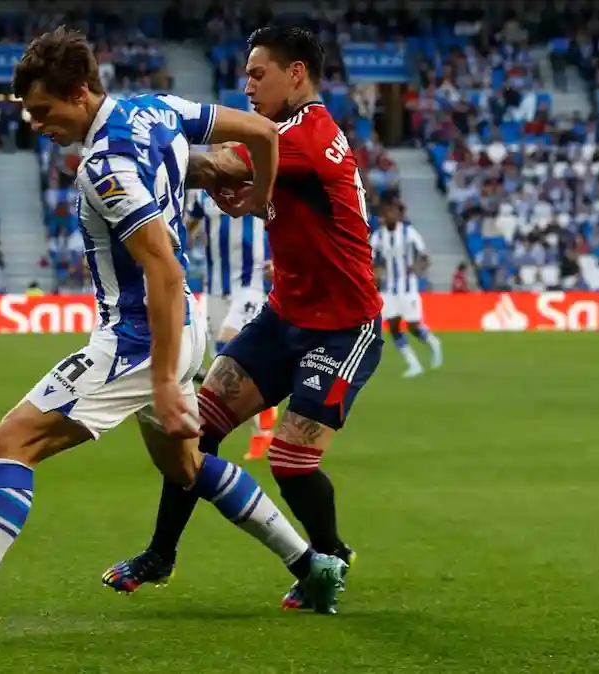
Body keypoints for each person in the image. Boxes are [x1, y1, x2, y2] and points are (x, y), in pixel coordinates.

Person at [0, 27, 348, 646]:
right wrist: (258, 200)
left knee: (10, 442)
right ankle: (311, 565)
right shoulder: (155, 108)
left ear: (79, 92)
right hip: (185, 326)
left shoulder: (107, 165)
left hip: (139, 337)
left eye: (44, 111)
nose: (38, 125)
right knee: (188, 468)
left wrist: (164, 384)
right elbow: (259, 133)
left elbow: (163, 268)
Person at [102, 25, 383, 613]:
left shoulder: (306, 134)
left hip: (342, 326)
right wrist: (250, 191)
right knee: (191, 430)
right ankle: (161, 554)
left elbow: (222, 164)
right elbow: (243, 178)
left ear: (296, 73)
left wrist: (139, 149)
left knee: (289, 460)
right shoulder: (287, 139)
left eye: (259, 74)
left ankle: (328, 559)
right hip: (283, 317)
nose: (248, 86)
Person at [185, 184, 277, 460]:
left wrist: (280, 259)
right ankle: (260, 421)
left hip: (251, 282)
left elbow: (281, 218)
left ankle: (262, 430)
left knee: (229, 344)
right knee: (224, 367)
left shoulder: (255, 185)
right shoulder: (202, 193)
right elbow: (186, 229)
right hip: (214, 288)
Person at [371, 199, 443, 377]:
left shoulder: (409, 233)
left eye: (393, 212)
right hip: (388, 289)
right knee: (393, 327)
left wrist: (418, 266)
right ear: (382, 216)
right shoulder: (377, 237)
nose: (390, 215)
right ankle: (413, 364)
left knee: (413, 326)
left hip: (408, 288)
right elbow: (371, 262)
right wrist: (375, 278)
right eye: (387, 213)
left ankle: (433, 342)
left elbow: (425, 258)